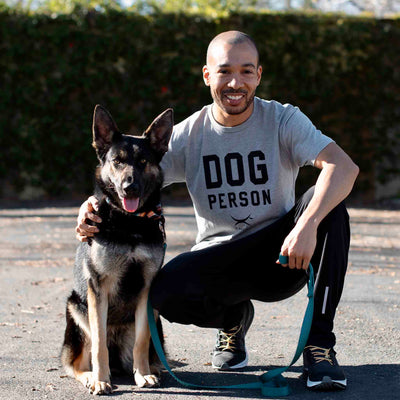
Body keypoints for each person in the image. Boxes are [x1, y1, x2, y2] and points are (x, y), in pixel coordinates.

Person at [76, 31, 359, 391]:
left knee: (331, 207)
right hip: (220, 260)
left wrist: (308, 224)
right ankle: (233, 319)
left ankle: (319, 348)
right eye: (224, 71)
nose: (235, 82)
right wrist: (92, 205)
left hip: (283, 253)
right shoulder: (188, 134)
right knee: (164, 292)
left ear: (258, 74)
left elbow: (344, 167)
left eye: (245, 71)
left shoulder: (283, 120)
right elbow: (131, 178)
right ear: (207, 75)